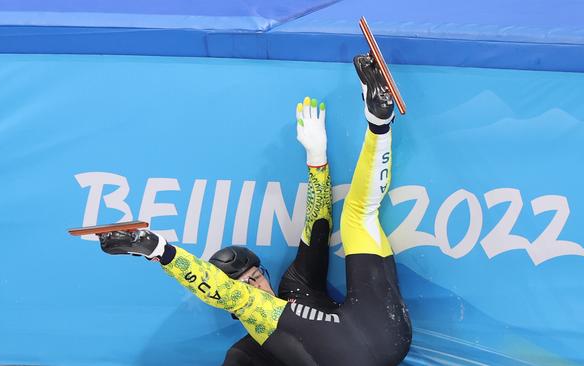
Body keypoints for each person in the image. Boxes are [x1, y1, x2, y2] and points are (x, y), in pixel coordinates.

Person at [97, 54, 412, 366]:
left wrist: (316, 158)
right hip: (345, 359)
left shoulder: (297, 284)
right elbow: (222, 289)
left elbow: (317, 225)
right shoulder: (245, 350)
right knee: (253, 305)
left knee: (358, 216)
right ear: (223, 300)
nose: (256, 284)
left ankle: (378, 122)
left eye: (256, 275)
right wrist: (158, 250)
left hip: (384, 329)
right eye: (245, 282)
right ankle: (159, 251)